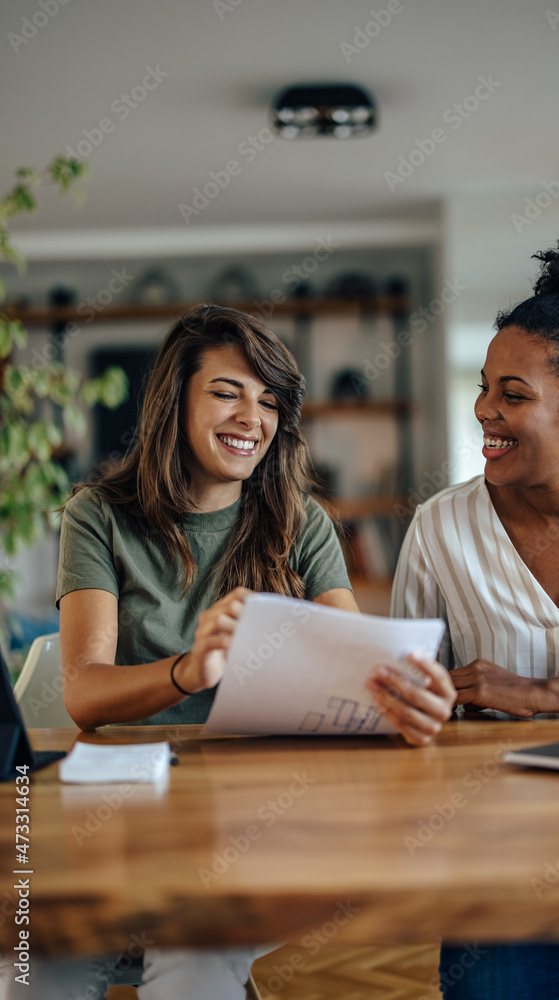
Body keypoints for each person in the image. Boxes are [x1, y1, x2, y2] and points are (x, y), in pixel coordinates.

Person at [0, 305, 454, 1000]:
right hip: (119, 808)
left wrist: (409, 696)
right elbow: (85, 693)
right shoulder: (99, 514)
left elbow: (365, 668)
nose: (252, 418)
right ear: (172, 401)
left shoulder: (301, 522)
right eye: (226, 393)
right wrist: (188, 670)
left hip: (254, 810)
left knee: (192, 962)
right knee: (33, 969)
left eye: (269, 401)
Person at [391, 233, 559, 999]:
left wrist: (540, 694)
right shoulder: (441, 527)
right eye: (484, 388)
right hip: (503, 846)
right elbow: (408, 687)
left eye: (512, 395)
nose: (484, 411)